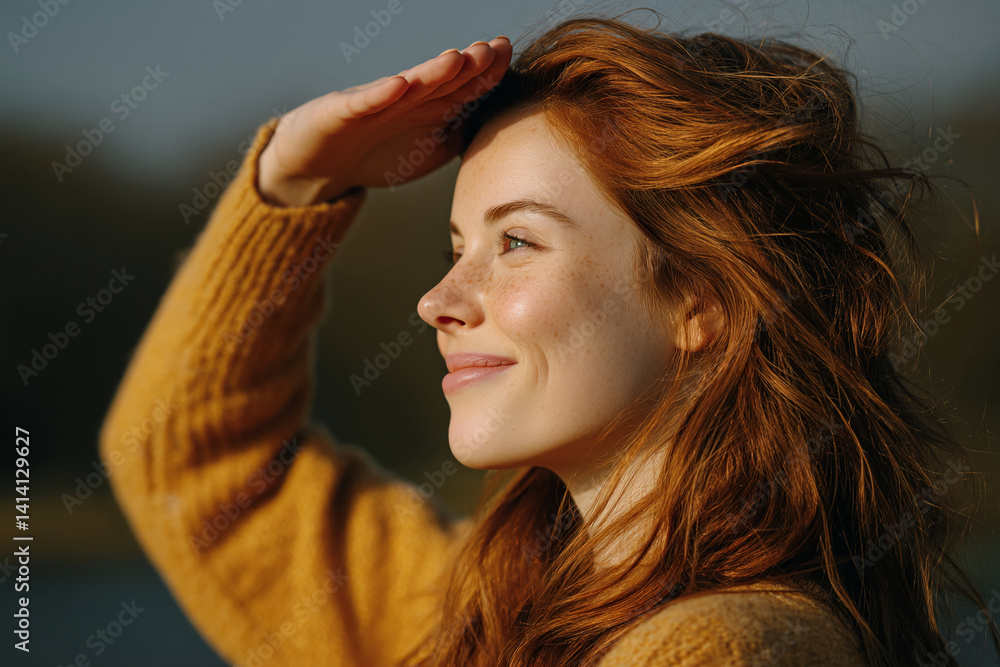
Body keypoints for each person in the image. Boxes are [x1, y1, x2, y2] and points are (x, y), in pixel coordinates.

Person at [99, 12, 999, 667]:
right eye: (457, 248)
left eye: (517, 241)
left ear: (703, 298)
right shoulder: (480, 615)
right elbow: (201, 468)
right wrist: (295, 183)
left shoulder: (716, 652)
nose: (439, 300)